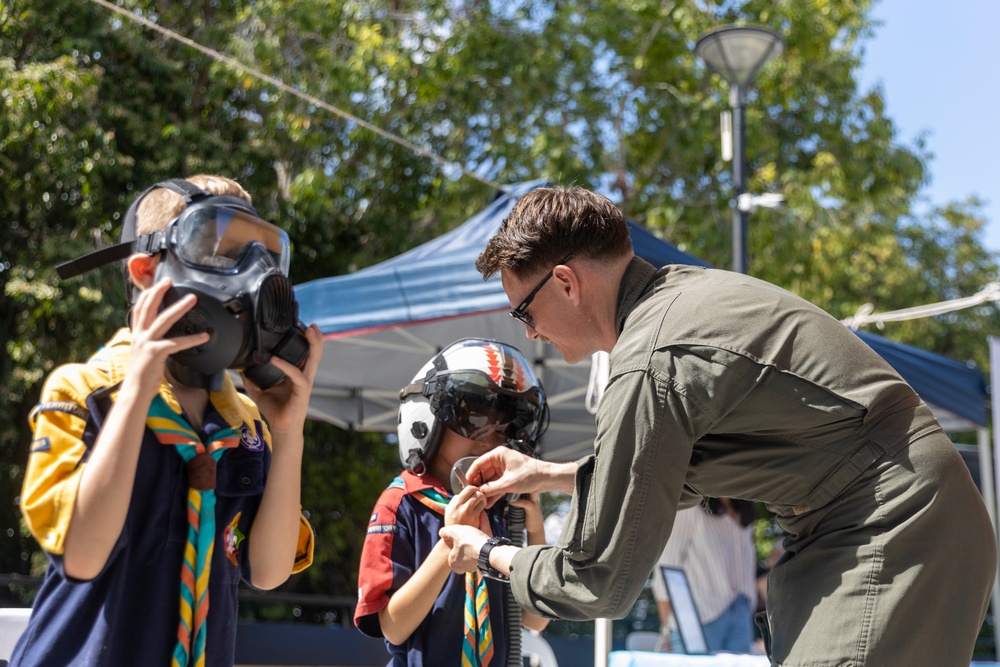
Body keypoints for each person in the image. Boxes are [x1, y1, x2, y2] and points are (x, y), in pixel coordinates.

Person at [438, 185, 997, 666]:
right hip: (908, 511)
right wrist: (545, 474)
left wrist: (484, 553)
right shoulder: (681, 296)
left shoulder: (647, 361)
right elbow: (660, 477)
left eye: (523, 312)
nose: (530, 334)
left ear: (566, 282)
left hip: (888, 523)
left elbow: (598, 579)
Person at [11, 175, 322, 666]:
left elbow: (267, 572)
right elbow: (82, 556)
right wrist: (137, 390)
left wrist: (286, 436)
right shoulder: (86, 393)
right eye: (220, 251)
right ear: (144, 271)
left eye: (264, 255)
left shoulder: (245, 426)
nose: (252, 276)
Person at [355, 338, 550, 666]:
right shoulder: (402, 503)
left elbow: (534, 621)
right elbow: (393, 627)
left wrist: (536, 536)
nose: (490, 440)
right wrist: (450, 544)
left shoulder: (497, 510)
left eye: (504, 430)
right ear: (428, 417)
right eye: (474, 418)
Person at [651, 499, 757, 654]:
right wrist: (666, 627)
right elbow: (666, 566)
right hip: (698, 616)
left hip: (741, 613)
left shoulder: (743, 513)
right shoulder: (690, 506)